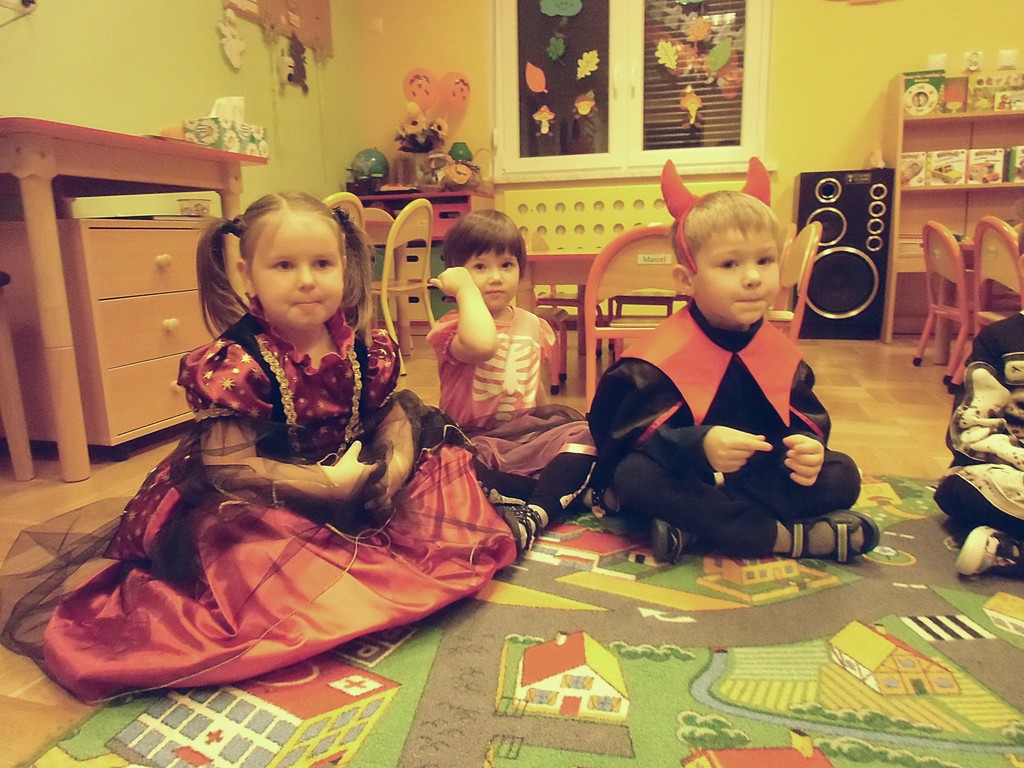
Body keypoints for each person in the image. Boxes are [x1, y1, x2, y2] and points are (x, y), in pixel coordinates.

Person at [1, 192, 516, 703]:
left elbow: (394, 414)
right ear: (248, 275)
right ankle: (323, 592)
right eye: (284, 265)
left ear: (345, 265)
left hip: (355, 473)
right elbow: (231, 468)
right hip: (263, 495)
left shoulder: (368, 346)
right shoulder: (237, 361)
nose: (307, 280)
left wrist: (392, 467)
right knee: (251, 563)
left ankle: (359, 569)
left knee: (446, 476)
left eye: (322, 264)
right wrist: (326, 484)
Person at [587, 159, 876, 564]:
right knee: (634, 477)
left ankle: (694, 526)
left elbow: (801, 423)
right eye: (729, 264)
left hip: (753, 477)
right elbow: (623, 438)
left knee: (843, 474)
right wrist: (699, 443)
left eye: (765, 260)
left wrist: (808, 449)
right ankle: (772, 536)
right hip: (685, 473)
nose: (753, 277)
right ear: (686, 280)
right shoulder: (655, 360)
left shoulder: (780, 355)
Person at [426, 210, 596, 551]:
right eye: (479, 267)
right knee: (448, 473)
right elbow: (481, 345)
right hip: (473, 444)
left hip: (523, 439)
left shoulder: (534, 324)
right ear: (459, 274)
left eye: (506, 265)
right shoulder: (453, 329)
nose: (495, 278)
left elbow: (535, 387)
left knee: (588, 434)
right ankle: (564, 494)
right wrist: (464, 291)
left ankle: (537, 504)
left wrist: (549, 427)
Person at [934, 228, 1024, 579]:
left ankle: (1010, 551)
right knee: (958, 490)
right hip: (1013, 474)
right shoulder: (999, 339)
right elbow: (971, 429)